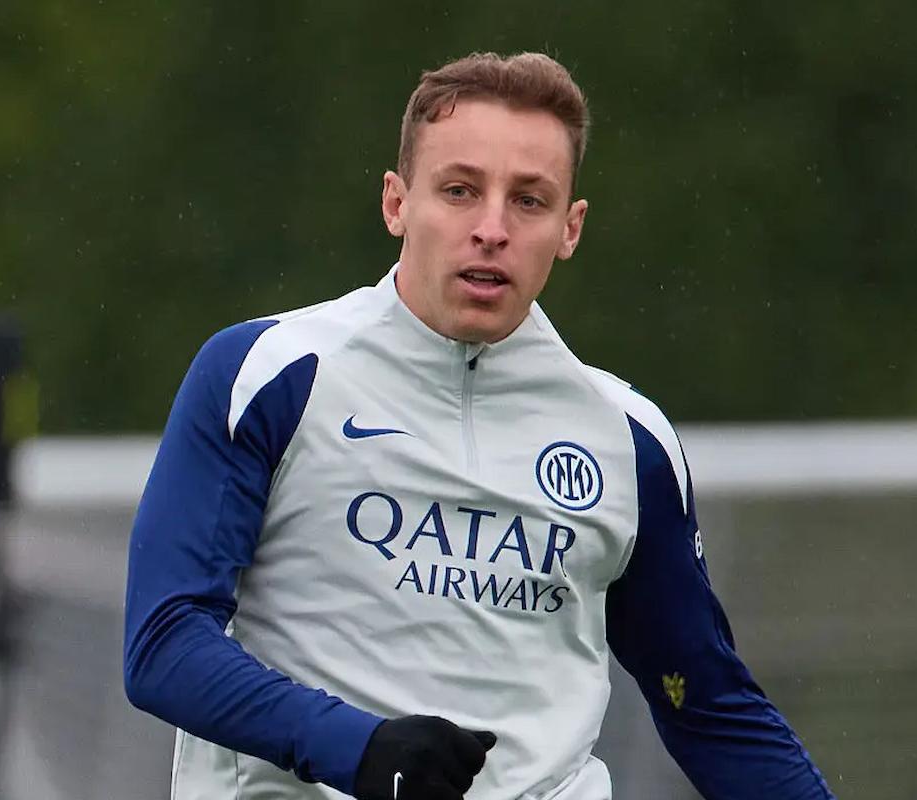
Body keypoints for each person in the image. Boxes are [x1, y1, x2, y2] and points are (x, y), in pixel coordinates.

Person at [123, 52, 834, 800]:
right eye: (460, 190)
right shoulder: (268, 374)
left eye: (529, 201)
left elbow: (708, 706)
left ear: (570, 227)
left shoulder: (629, 441)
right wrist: (356, 747)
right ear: (397, 203)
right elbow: (165, 644)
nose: (492, 229)